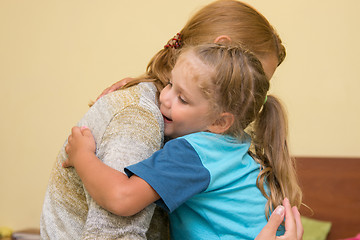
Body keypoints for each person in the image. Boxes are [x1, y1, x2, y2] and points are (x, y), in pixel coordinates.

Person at [40, 0, 303, 239]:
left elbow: (122, 198)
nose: (165, 98)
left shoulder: (194, 151)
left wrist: (83, 155)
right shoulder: (232, 144)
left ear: (221, 120)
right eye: (169, 86)